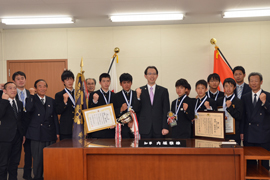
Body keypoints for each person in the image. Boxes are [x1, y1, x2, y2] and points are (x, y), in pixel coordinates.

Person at [26, 79, 59, 180]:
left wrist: (57, 132)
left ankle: (49, 176)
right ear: (35, 88)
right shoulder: (31, 99)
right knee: (38, 160)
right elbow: (28, 109)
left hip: (50, 133)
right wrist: (31, 95)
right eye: (39, 86)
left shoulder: (50, 100)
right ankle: (38, 177)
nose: (42, 88)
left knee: (50, 159)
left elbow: (54, 118)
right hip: (37, 134)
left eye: (44, 86)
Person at [241, 72, 270, 170]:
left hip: (264, 134)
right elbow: (243, 116)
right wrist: (242, 132)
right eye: (251, 81)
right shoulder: (245, 97)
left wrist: (265, 102)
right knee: (250, 162)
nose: (254, 83)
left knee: (264, 163)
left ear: (261, 82)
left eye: (256, 81)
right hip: (249, 134)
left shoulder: (268, 95)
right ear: (248, 83)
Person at [136, 66, 170, 138]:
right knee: (145, 149)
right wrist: (138, 97)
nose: (152, 76)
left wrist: (165, 126)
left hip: (159, 128)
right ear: (145, 76)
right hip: (145, 128)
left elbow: (166, 110)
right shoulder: (139, 90)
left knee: (159, 149)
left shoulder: (163, 91)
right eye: (150, 73)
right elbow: (136, 109)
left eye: (154, 74)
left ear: (157, 76)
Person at [0, 82, 25, 180]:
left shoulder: (19, 103)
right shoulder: (2, 101)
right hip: (5, 137)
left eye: (15, 88)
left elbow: (20, 120)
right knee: (3, 164)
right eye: (10, 88)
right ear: (5, 91)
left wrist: (22, 134)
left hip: (18, 137)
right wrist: (4, 101)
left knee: (14, 163)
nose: (13, 90)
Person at [12, 71, 32, 180]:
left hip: (29, 127)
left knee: (28, 153)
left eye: (22, 78)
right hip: (16, 128)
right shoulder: (10, 94)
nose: (21, 80)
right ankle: (13, 176)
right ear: (14, 81)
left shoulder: (31, 93)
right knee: (15, 154)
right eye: (18, 79)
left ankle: (27, 175)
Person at [88, 73, 117, 138]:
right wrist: (95, 101)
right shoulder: (93, 94)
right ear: (100, 82)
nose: (106, 83)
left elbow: (116, 111)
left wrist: (114, 122)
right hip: (98, 129)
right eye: (103, 81)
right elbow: (90, 111)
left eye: (108, 81)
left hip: (111, 129)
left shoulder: (114, 95)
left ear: (110, 82)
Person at [217, 78, 243, 144]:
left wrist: (230, 107)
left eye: (231, 86)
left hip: (233, 133)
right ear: (223, 87)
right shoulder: (219, 100)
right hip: (221, 132)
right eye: (226, 86)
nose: (228, 88)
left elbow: (239, 117)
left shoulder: (238, 101)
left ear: (234, 87)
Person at [115, 73, 139, 138]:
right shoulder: (116, 96)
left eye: (128, 82)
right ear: (120, 84)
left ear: (131, 83)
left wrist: (132, 120)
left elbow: (140, 109)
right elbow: (113, 112)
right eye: (124, 82)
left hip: (135, 126)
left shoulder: (136, 94)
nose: (126, 85)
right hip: (123, 128)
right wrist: (120, 109)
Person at [55, 70, 75, 140]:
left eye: (71, 79)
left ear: (73, 80)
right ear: (63, 82)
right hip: (66, 129)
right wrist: (64, 102)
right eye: (67, 80)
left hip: (78, 127)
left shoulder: (78, 93)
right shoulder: (59, 95)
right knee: (66, 149)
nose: (69, 82)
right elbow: (58, 111)